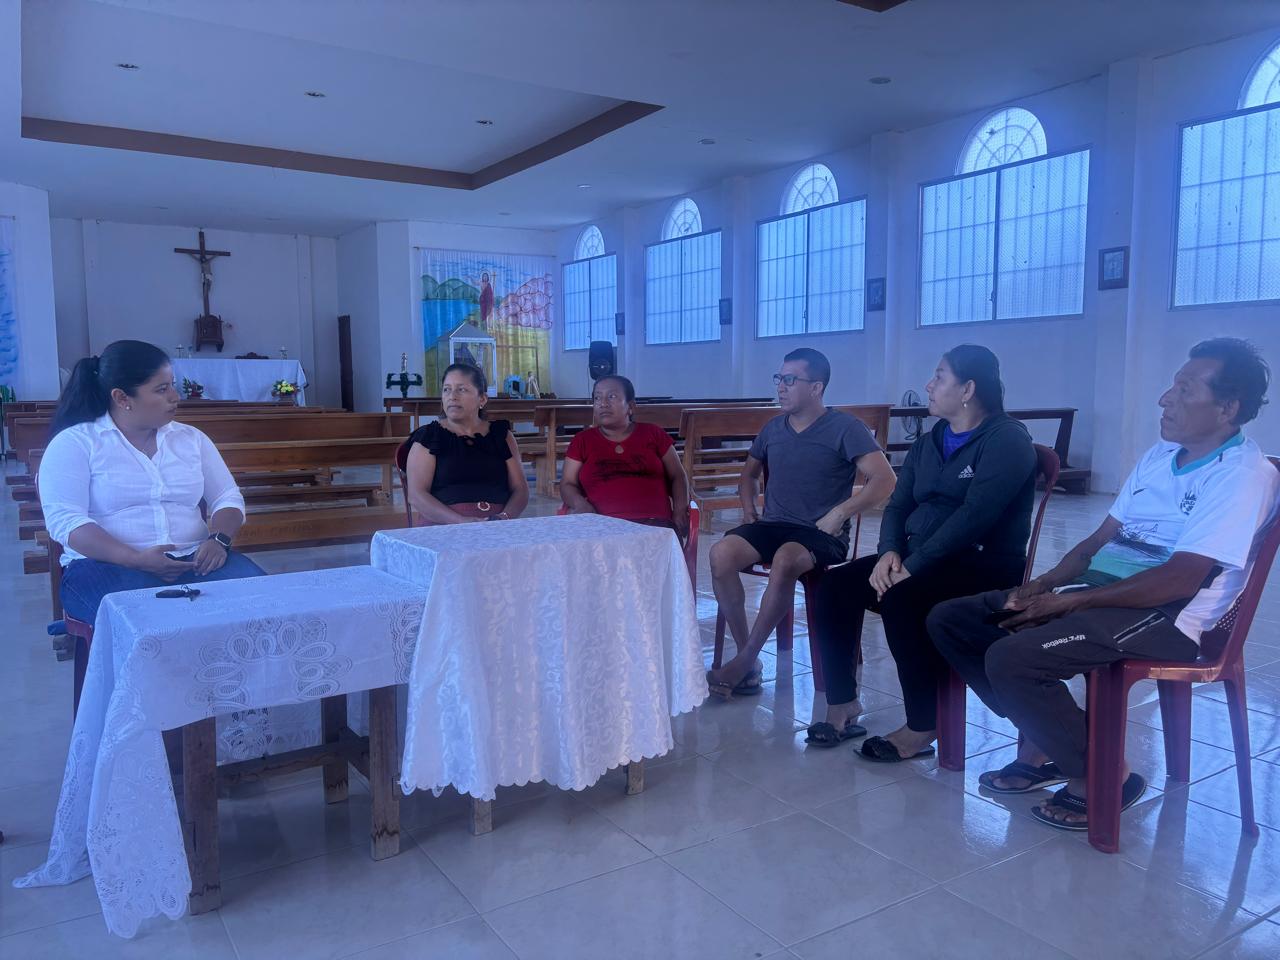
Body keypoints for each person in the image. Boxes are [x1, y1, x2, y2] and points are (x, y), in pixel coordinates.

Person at [928, 338, 1278, 830]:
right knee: (955, 619)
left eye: (1184, 389)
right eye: (1172, 386)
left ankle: (1102, 776)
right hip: (1105, 599)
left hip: (1167, 616)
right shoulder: (1161, 455)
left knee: (1012, 657)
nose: (1165, 399)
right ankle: (1049, 744)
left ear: (1228, 408)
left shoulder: (1241, 476)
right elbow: (1097, 541)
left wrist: (1069, 605)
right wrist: (1044, 586)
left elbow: (1181, 579)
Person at [805, 345, 1036, 757]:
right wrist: (889, 552)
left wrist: (913, 566)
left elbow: (973, 518)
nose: (929, 386)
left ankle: (923, 723)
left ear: (968, 389)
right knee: (836, 586)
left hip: (983, 564)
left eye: (939, 377)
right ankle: (842, 703)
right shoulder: (930, 441)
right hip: (919, 558)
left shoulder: (1007, 440)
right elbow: (898, 505)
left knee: (902, 598)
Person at [705, 348, 896, 699]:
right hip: (773, 525)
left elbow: (885, 480)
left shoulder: (845, 428)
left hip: (821, 532)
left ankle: (743, 661)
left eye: (790, 379)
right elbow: (748, 475)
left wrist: (841, 512)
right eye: (779, 378)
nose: (780, 386)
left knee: (786, 558)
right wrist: (748, 509)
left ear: (816, 387)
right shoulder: (773, 428)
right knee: (721, 554)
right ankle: (749, 657)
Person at [38, 339, 263, 623]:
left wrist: (218, 539)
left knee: (266, 603)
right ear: (122, 398)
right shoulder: (76, 443)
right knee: (154, 622)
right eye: (161, 389)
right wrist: (135, 559)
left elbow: (226, 497)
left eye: (173, 385)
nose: (175, 396)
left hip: (195, 559)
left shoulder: (191, 439)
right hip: (105, 565)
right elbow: (66, 521)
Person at [560, 375, 690, 540]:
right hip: (601, 528)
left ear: (631, 406)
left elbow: (678, 475)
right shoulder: (582, 441)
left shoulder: (653, 434)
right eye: (597, 398)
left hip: (655, 527)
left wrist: (680, 509)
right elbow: (567, 483)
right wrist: (581, 504)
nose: (603, 403)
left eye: (612, 396)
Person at [405, 362, 529, 523]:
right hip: (445, 525)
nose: (452, 396)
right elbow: (416, 495)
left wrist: (503, 518)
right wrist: (461, 521)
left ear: (482, 399)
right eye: (446, 389)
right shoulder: (429, 437)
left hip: (496, 525)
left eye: (461, 389)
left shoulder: (501, 436)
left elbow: (520, 489)